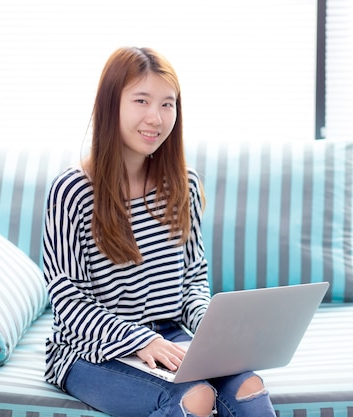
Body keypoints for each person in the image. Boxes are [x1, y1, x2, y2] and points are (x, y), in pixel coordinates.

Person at [42, 46, 276, 417]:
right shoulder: (72, 191)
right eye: (141, 100)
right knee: (195, 397)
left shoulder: (183, 184)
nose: (156, 117)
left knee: (250, 386)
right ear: (110, 105)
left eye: (168, 104)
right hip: (88, 350)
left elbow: (193, 281)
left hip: (169, 337)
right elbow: (68, 300)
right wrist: (140, 340)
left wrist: (212, 332)